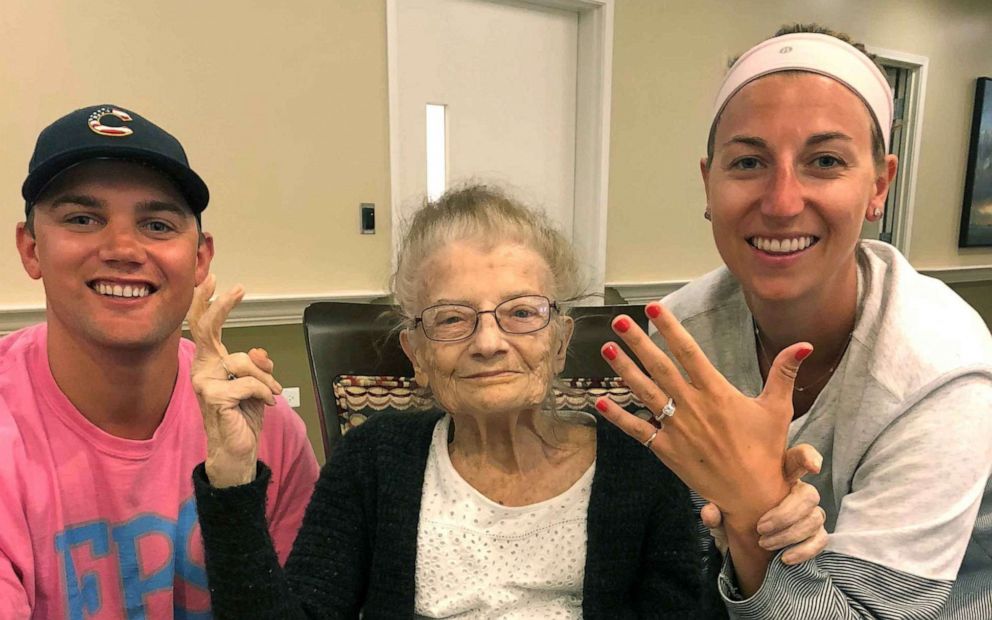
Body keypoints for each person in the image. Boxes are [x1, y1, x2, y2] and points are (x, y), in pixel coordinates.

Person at [190, 184, 827, 619]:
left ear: (560, 339)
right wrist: (231, 475)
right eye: (451, 318)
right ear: (415, 350)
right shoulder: (373, 461)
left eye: (522, 313)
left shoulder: (639, 465)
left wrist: (753, 528)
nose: (489, 343)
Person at [595, 25, 992, 619]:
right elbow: (681, 548)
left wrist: (756, 514)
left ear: (878, 185)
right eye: (749, 161)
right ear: (709, 182)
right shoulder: (684, 332)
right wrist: (758, 518)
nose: (781, 201)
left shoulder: (941, 369)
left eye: (825, 161)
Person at [0, 104, 319, 619]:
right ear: (31, 248)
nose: (124, 248)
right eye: (83, 219)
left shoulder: (265, 426)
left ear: (199, 259)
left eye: (157, 224)